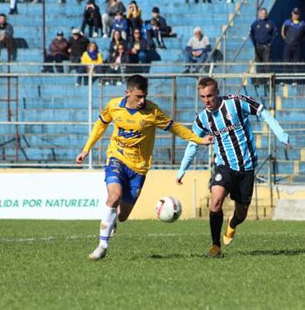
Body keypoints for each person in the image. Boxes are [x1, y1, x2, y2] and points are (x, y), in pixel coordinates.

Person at [76, 74, 213, 261]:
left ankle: (113, 219)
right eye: (138, 96)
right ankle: (102, 245)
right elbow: (101, 125)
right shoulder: (114, 106)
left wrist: (199, 139)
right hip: (116, 157)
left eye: (144, 96)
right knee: (113, 196)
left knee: (123, 216)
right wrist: (86, 149)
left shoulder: (152, 112)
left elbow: (175, 127)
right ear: (128, 93)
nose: (142, 100)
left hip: (138, 169)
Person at [176, 77, 290, 258]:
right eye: (203, 97)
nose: (207, 100)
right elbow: (193, 144)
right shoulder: (202, 119)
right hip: (224, 165)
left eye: (210, 96)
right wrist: (182, 170)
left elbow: (263, 113)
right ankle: (215, 246)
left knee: (241, 213)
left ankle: (233, 224)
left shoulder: (236, 103)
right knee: (216, 201)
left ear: (217, 92)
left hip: (246, 166)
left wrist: (281, 135)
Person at [250, 8, 277, 78]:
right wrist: (254, 44)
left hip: (266, 47)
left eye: (264, 13)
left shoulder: (270, 23)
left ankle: (267, 79)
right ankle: (259, 79)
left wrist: (270, 43)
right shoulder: (255, 23)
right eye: (262, 13)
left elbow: (275, 34)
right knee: (258, 64)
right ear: (259, 14)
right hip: (258, 46)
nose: (263, 15)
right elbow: (251, 33)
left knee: (266, 64)